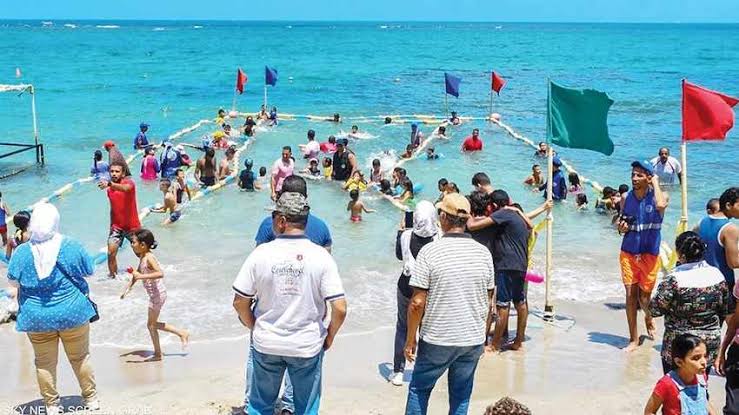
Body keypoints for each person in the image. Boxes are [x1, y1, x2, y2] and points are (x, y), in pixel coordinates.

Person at [233, 192, 347, 415]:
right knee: (305, 408)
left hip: (266, 342)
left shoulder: (261, 254)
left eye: (274, 215)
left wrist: (253, 325)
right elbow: (340, 307)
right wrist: (330, 335)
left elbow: (239, 301)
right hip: (306, 344)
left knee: (259, 406)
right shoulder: (322, 256)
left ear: (281, 221)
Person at [404, 193, 495, 415]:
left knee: (419, 389)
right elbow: (489, 300)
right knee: (461, 395)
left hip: (438, 338)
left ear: (443, 217)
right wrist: (481, 336)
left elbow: (417, 302)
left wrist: (410, 339)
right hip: (471, 339)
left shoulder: (430, 252)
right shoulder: (483, 253)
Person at [6, 203, 99, 414]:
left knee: (44, 363)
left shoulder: (22, 252)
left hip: (36, 317)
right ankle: (91, 399)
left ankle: (51, 405)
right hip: (72, 312)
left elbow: (12, 281)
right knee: (80, 357)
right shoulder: (71, 245)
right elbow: (89, 271)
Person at [466, 190, 550, 352]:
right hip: (521, 264)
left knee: (502, 305)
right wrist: (518, 210)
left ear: (495, 205)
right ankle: (518, 341)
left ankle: (495, 345)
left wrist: (466, 213)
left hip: (506, 264)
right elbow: (532, 226)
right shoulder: (516, 215)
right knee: (520, 302)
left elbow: (472, 226)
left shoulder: (502, 213)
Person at [650, 231, 728, 374]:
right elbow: (726, 310)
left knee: (675, 389)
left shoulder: (673, 279)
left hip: (680, 346)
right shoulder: (717, 275)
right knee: (701, 387)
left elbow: (655, 310)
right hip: (708, 344)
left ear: (680, 254)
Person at [618, 160, 667, 352]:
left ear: (648, 177)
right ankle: (633, 339)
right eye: (633, 174)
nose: (634, 178)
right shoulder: (625, 198)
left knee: (644, 299)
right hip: (628, 252)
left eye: (639, 175)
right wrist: (620, 228)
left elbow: (661, 205)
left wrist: (655, 182)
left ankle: (648, 316)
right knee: (631, 296)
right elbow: (622, 221)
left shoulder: (659, 197)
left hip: (650, 254)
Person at [391, 201, 439, 386]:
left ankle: (398, 371)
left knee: (403, 327)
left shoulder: (405, 235)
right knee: (425, 329)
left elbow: (398, 256)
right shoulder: (439, 239)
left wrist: (400, 230)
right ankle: (422, 370)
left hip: (405, 286)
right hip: (428, 289)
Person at [125, 229, 189, 360]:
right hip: (155, 295)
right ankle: (180, 334)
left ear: (142, 245)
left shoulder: (149, 257)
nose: (131, 244)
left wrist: (142, 276)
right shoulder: (143, 256)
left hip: (158, 295)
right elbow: (137, 273)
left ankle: (160, 352)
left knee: (151, 325)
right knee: (152, 324)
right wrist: (128, 288)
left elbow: (160, 273)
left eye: (133, 242)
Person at [255, 175, 332, 250]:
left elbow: (258, 257)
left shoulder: (269, 224)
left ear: (282, 196)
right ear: (306, 196)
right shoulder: (322, 227)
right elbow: (327, 257)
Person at [644, 334, 714, 415]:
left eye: (705, 356)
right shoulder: (666, 383)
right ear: (679, 362)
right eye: (696, 358)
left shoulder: (701, 378)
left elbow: (704, 401)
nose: (704, 362)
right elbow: (649, 411)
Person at [98, 162, 141, 278]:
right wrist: (111, 226)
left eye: (117, 171)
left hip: (132, 227)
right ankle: (113, 278)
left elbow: (124, 188)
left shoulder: (129, 184)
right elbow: (113, 209)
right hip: (116, 227)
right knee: (111, 253)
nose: (114, 174)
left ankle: (147, 273)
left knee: (140, 254)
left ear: (123, 173)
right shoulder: (110, 190)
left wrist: (109, 184)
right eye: (112, 171)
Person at [698, 187, 739, 296]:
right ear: (728, 205)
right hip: (722, 283)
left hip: (703, 280)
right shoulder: (730, 229)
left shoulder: (701, 221)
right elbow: (733, 263)